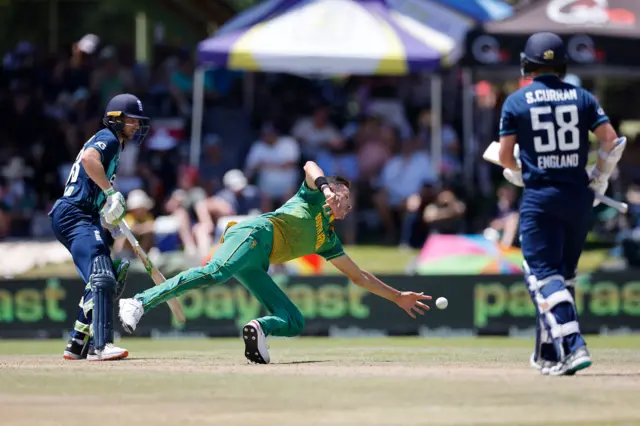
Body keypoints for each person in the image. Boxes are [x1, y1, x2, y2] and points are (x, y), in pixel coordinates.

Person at [119, 161, 432, 364]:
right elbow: (309, 165)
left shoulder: (328, 240)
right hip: (253, 233)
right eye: (345, 197)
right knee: (216, 273)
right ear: (333, 191)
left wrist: (397, 297)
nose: (348, 205)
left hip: (257, 262)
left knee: (294, 320)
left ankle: (258, 328)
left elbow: (359, 276)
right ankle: (138, 302)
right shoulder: (313, 195)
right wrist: (324, 187)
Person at [498, 32, 625, 376]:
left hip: (541, 199)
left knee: (542, 275)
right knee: (562, 277)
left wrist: (520, 172)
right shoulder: (582, 97)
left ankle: (573, 345)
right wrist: (598, 176)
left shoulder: (516, 102)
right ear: (563, 64)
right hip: (578, 199)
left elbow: (506, 157)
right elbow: (612, 142)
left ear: (528, 64)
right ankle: (549, 353)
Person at [49, 93, 150, 361]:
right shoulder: (108, 139)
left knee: (105, 277)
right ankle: (101, 346)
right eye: (131, 121)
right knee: (102, 276)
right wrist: (110, 192)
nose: (136, 127)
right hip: (74, 213)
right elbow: (88, 161)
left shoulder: (113, 142)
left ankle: (77, 343)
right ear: (115, 120)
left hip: (85, 214)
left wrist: (108, 218)